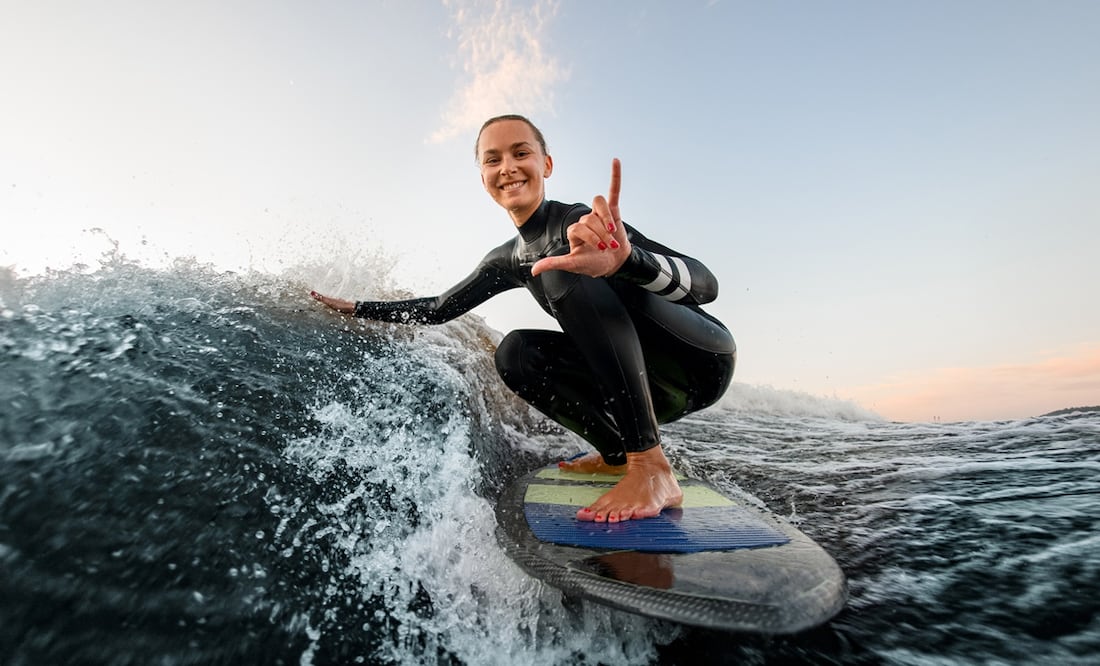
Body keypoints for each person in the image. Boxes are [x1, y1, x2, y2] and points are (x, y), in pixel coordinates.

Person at [311, 114, 735, 523]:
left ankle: (651, 467)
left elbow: (707, 285)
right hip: (650, 390)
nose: (508, 168)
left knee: (560, 267)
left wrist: (627, 260)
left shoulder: (579, 224)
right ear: (483, 178)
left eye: (521, 153)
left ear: (546, 164)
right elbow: (440, 308)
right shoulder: (506, 259)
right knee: (516, 353)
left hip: (700, 360)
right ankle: (619, 456)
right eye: (493, 160)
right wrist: (358, 308)